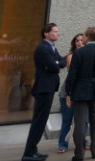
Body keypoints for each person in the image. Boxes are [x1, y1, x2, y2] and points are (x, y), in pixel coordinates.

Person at [64, 26, 95, 161]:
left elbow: (72, 74)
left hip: (80, 91)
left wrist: (68, 92)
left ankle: (79, 155)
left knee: (80, 123)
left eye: (84, 35)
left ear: (88, 37)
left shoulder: (79, 53)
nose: (82, 38)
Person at [21, 22, 67, 161]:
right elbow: (55, 66)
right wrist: (57, 63)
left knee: (41, 120)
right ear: (46, 33)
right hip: (43, 88)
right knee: (39, 121)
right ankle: (29, 153)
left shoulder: (52, 48)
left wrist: (57, 63)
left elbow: (62, 62)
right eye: (54, 31)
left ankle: (33, 150)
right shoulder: (43, 48)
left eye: (57, 31)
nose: (57, 33)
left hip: (48, 87)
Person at [57, 33, 88, 154]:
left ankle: (83, 142)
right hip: (67, 93)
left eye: (82, 41)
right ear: (74, 43)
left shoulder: (88, 55)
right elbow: (73, 73)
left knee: (83, 120)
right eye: (77, 41)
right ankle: (62, 144)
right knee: (67, 120)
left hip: (82, 93)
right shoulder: (71, 56)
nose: (79, 43)